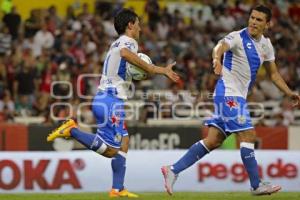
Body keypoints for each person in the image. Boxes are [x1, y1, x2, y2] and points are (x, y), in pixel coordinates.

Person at [161, 5, 300, 196]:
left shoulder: (266, 45)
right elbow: (219, 47)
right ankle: (256, 184)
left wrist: (289, 92)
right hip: (228, 94)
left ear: (268, 24)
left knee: (213, 140)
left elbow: (274, 74)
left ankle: (172, 170)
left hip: (236, 96)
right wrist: (216, 59)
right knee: (248, 135)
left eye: (259, 20)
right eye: (252, 17)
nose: (253, 22)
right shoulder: (237, 37)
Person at [47, 9, 179, 198]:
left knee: (124, 140)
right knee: (110, 150)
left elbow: (124, 61)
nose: (140, 28)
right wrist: (154, 69)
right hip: (110, 100)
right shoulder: (128, 42)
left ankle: (117, 189)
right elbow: (126, 54)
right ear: (130, 25)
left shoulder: (116, 43)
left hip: (106, 98)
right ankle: (71, 130)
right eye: (138, 24)